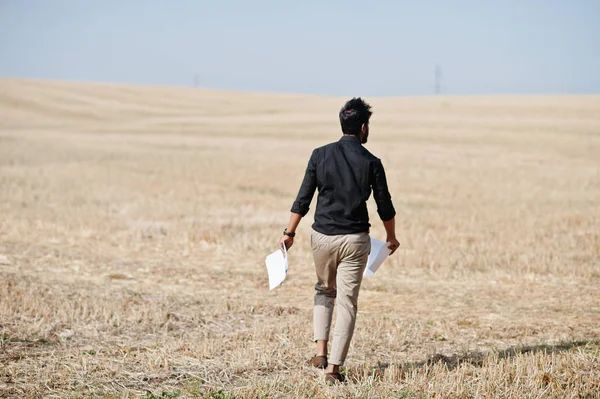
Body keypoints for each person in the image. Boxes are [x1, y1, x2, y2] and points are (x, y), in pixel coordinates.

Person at [279, 97, 400, 384]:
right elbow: (385, 205)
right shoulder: (372, 162)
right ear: (362, 128)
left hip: (322, 238)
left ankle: (320, 352)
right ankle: (333, 369)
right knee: (347, 302)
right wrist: (391, 237)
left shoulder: (319, 154)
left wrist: (289, 233)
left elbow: (303, 199)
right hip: (355, 241)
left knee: (324, 290)